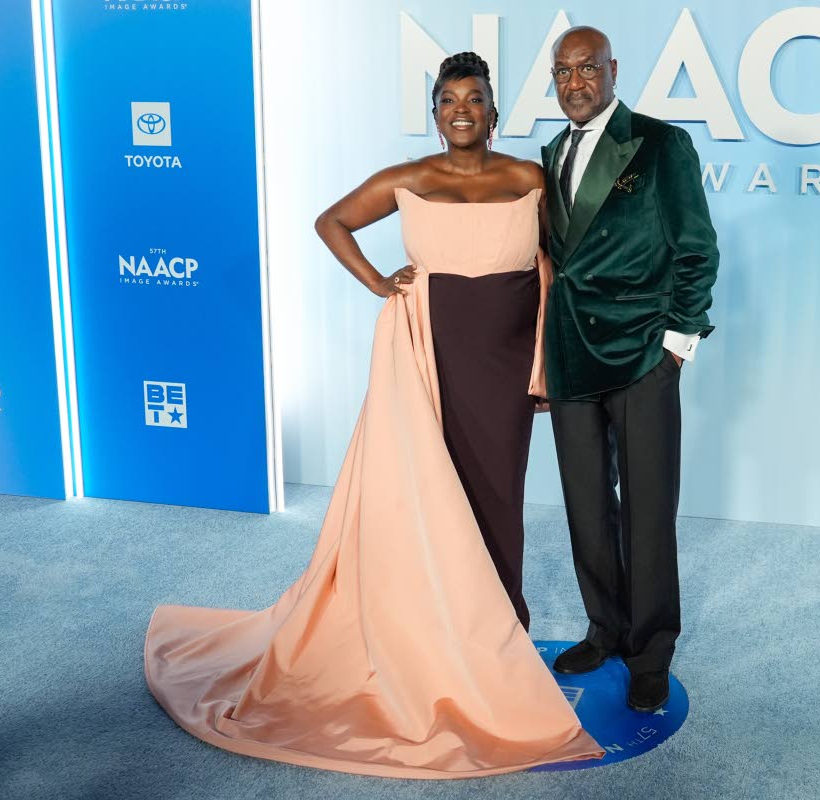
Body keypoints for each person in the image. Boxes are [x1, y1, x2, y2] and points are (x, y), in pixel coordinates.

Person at [143, 52, 603, 779]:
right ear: (434, 111)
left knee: (497, 500)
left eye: (475, 98)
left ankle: (499, 637)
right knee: (429, 500)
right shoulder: (407, 179)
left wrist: (551, 357)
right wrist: (378, 284)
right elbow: (331, 222)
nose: (462, 110)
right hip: (430, 357)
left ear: (493, 108)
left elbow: (549, 263)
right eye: (448, 99)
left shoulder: (528, 178)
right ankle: (433, 642)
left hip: (508, 361)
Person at [539, 27, 720, 713]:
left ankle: (650, 650)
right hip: (571, 355)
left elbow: (697, 248)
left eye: (588, 69)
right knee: (587, 503)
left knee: (647, 506)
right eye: (563, 72)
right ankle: (605, 628)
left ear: (613, 70)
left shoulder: (660, 142)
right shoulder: (552, 151)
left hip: (643, 351)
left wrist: (677, 343)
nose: (575, 83)